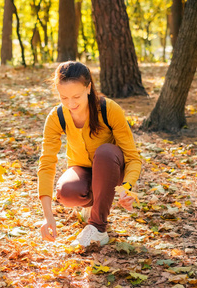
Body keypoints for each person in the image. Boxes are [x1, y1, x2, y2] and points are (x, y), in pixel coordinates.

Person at [38, 61, 142, 248]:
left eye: (76, 96)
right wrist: (47, 216)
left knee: (104, 152)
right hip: (83, 170)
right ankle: (93, 206)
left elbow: (133, 157)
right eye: (64, 98)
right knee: (66, 192)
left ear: (89, 88)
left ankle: (98, 228)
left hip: (112, 167)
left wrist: (127, 187)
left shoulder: (109, 109)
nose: (71, 103)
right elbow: (46, 163)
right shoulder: (56, 117)